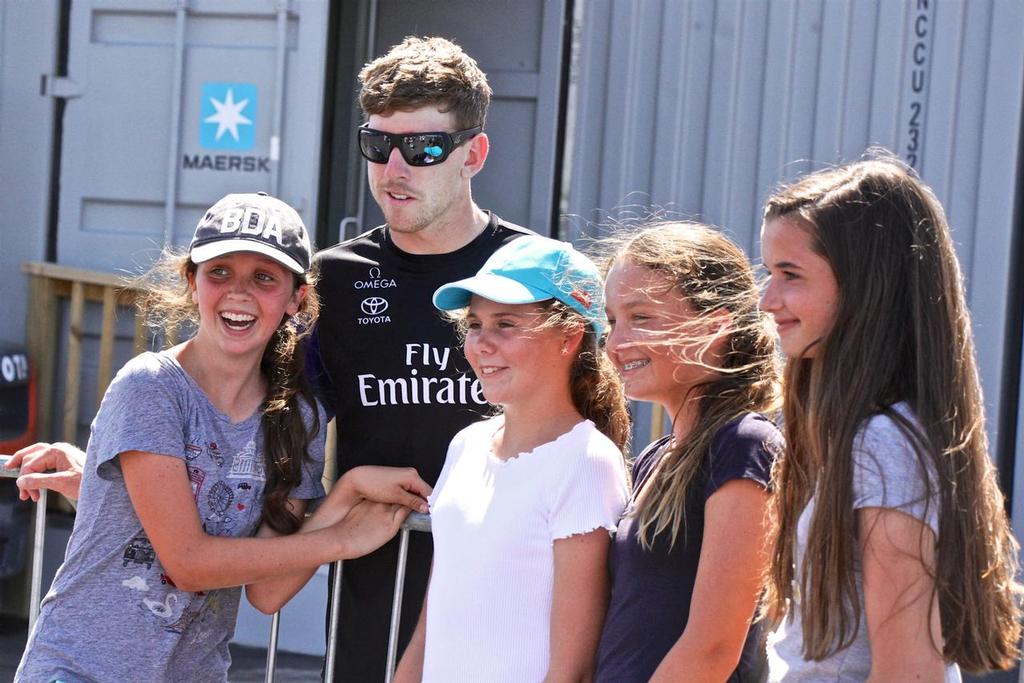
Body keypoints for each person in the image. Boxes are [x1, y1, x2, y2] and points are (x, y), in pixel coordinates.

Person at [7, 35, 528, 681]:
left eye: (422, 148)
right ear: (191, 279)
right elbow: (219, 440)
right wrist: (118, 476)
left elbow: (583, 424)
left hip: (509, 591)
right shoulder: (335, 282)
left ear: (473, 153)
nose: (395, 169)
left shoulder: (534, 272)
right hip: (374, 601)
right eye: (377, 145)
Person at [15, 193, 428, 682]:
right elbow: (188, 563)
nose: (239, 293)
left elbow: (267, 593)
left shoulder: (299, 417)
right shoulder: (150, 387)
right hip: (82, 670)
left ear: (297, 297)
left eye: (264, 278)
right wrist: (341, 539)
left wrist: (349, 489)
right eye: (220, 272)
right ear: (192, 283)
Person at [759, 153, 1023, 681]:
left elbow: (909, 670)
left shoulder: (884, 442)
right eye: (769, 273)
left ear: (867, 287)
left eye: (790, 275)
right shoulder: (855, 434)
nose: (767, 299)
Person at [395, 235, 631, 682]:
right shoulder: (466, 444)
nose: (481, 344)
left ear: (569, 337)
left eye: (505, 324)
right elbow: (433, 624)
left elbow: (572, 670)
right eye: (475, 324)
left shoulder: (587, 462)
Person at [594, 222, 783, 682]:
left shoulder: (743, 443)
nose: (616, 344)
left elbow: (713, 649)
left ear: (715, 326)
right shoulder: (655, 457)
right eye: (613, 320)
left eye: (642, 317)